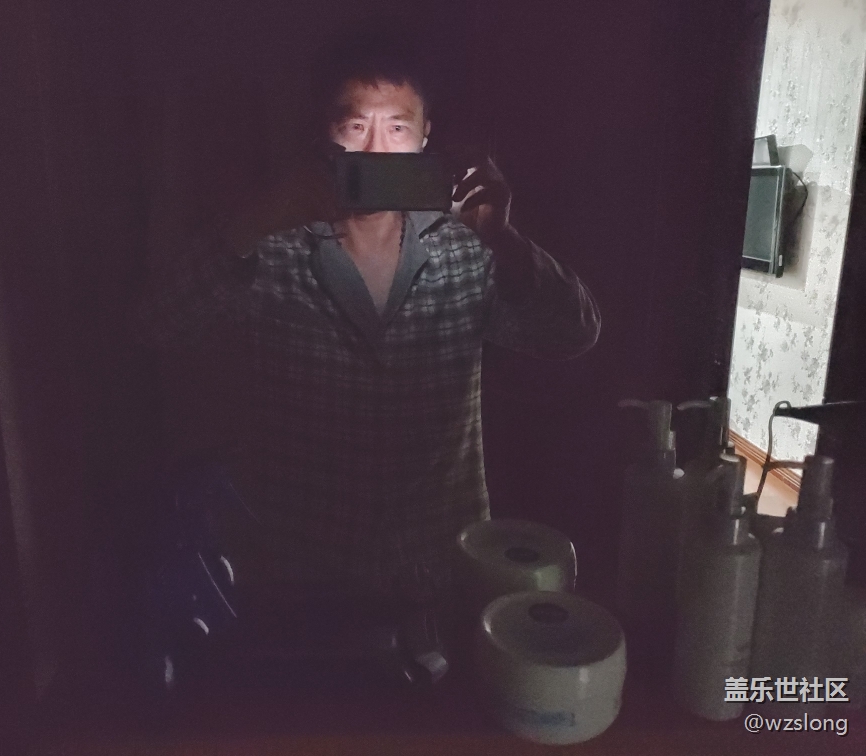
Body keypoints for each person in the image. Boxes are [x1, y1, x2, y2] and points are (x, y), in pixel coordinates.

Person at [131, 27, 600, 606]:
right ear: (322, 136)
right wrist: (250, 224)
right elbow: (156, 326)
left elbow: (574, 332)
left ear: (426, 137)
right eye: (355, 127)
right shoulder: (268, 248)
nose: (376, 150)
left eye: (397, 128)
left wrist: (502, 238)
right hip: (299, 570)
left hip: (441, 564)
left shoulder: (469, 250)